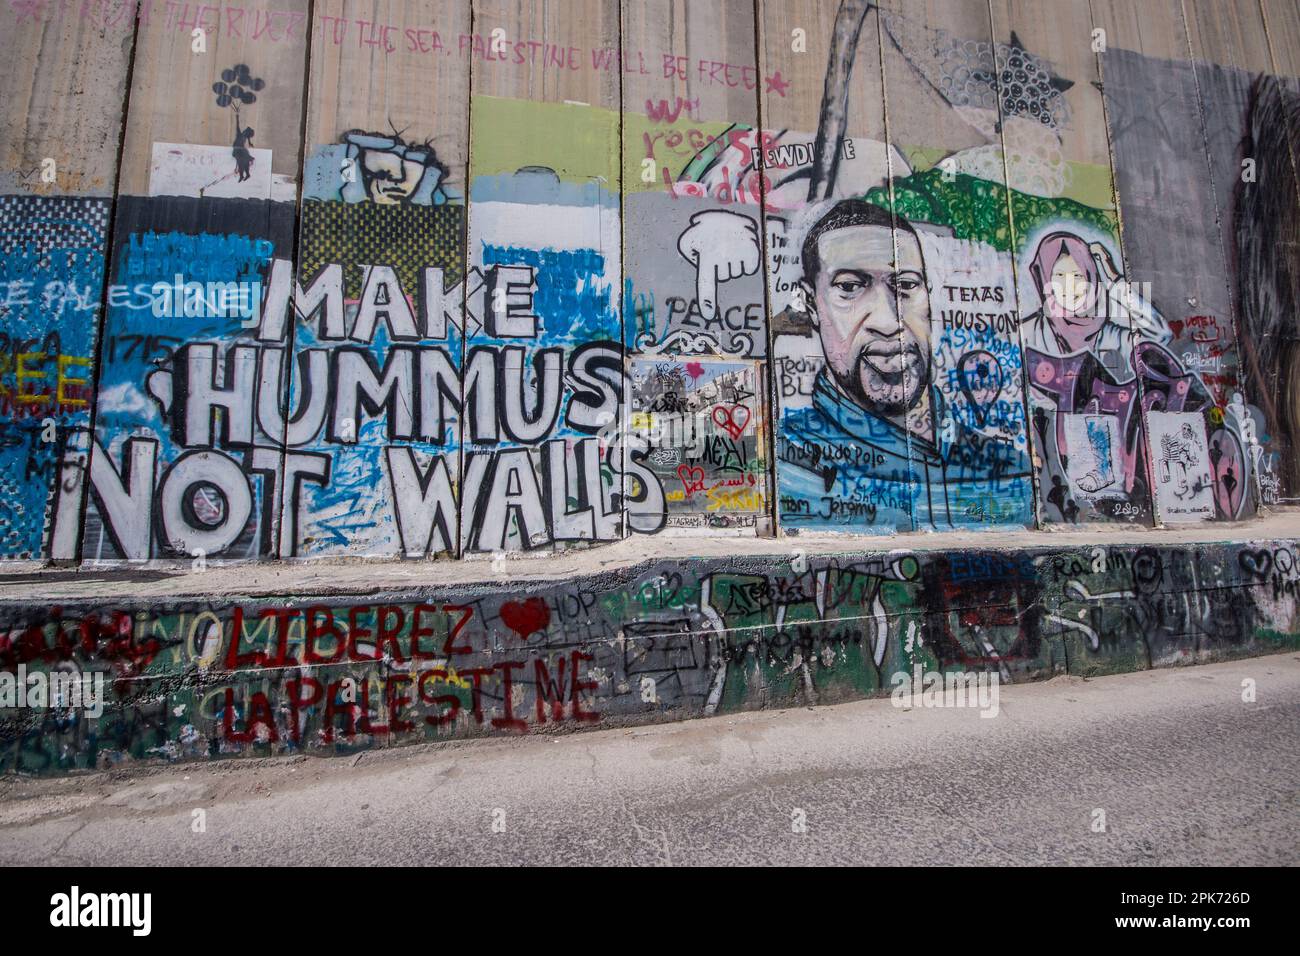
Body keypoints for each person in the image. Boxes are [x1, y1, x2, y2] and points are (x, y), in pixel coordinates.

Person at [778, 199, 1031, 531]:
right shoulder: (788, 467)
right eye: (850, 288)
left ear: (929, 294)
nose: (888, 320)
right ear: (812, 305)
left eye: (907, 285)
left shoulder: (1010, 469)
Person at [1019, 230, 1169, 382]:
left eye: (1078, 275)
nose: (1069, 286)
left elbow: (1160, 335)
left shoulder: (1111, 338)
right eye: (1059, 276)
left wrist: (1115, 280)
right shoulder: (1028, 335)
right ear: (1044, 280)